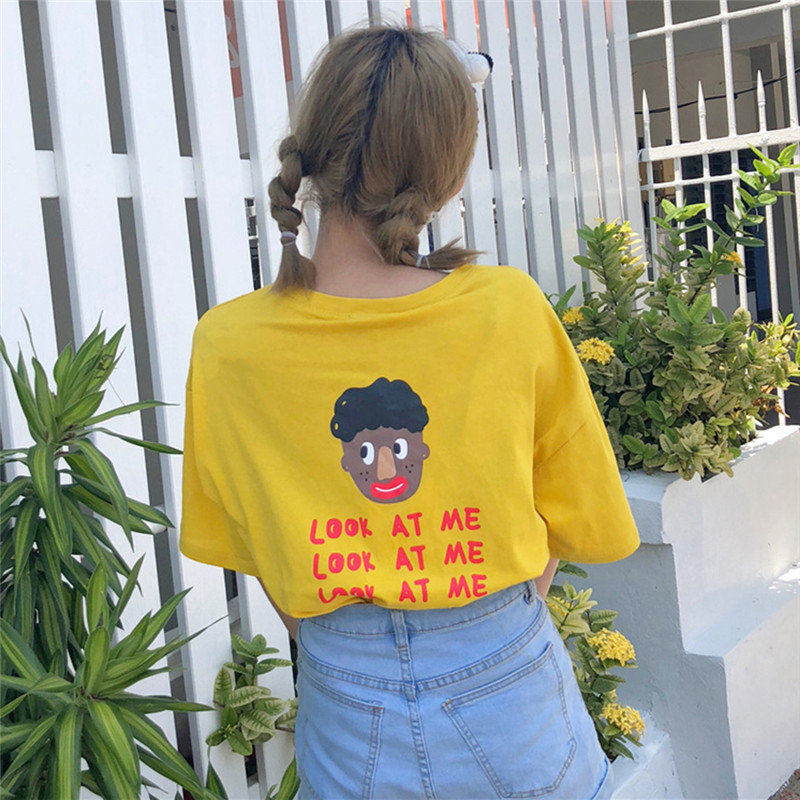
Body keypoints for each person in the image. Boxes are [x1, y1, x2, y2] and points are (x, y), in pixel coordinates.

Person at [179, 24, 639, 800]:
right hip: (510, 687)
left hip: (341, 698)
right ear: (449, 176)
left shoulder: (229, 343)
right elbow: (568, 512)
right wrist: (479, 629)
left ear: (312, 157)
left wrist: (350, 641)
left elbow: (247, 540)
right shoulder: (508, 310)